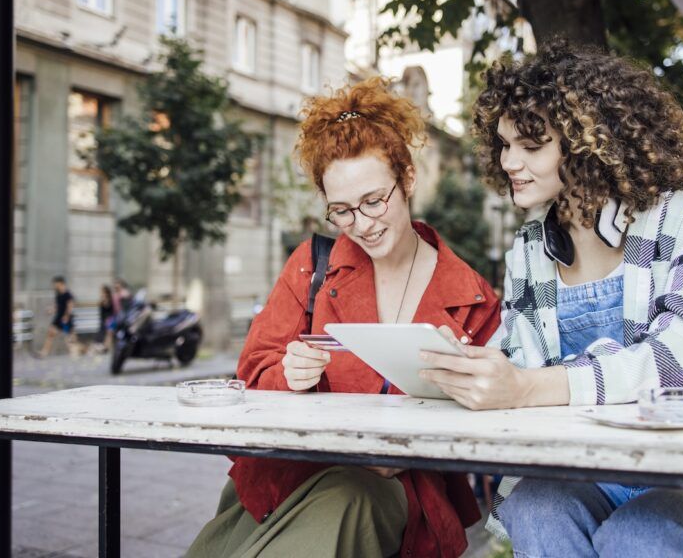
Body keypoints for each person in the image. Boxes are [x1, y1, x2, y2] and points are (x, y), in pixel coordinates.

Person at [418, 40, 683, 557]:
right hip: (589, 470)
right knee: (535, 507)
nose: (510, 161)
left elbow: (675, 358)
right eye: (503, 145)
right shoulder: (529, 245)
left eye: (531, 145)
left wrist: (526, 386)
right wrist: (468, 367)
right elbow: (518, 363)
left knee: (639, 533)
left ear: (587, 143)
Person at [186, 77, 501, 558]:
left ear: (409, 179)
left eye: (375, 201)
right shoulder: (312, 265)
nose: (363, 225)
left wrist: (415, 443)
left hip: (387, 497)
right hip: (286, 486)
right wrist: (287, 375)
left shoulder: (474, 297)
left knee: (352, 497)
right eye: (342, 211)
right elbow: (250, 377)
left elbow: (489, 418)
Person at [38, 275, 78, 357]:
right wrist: (51, 310)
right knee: (50, 333)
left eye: (55, 283)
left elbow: (70, 306)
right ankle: (44, 352)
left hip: (65, 319)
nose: (53, 285)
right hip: (58, 318)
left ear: (60, 283)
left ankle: (75, 351)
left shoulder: (68, 294)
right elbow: (58, 306)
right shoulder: (58, 294)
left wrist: (66, 316)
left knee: (70, 337)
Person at [94, 284, 115, 354]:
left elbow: (113, 312)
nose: (101, 294)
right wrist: (104, 321)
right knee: (104, 328)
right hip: (104, 321)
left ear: (106, 293)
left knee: (110, 328)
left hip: (112, 319)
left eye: (102, 292)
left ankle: (105, 347)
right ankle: (102, 347)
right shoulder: (101, 303)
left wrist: (108, 320)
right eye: (101, 292)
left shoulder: (112, 301)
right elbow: (101, 316)